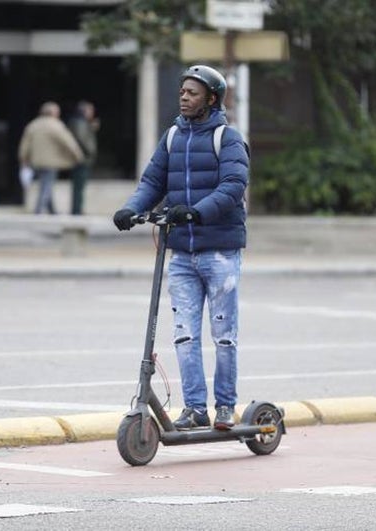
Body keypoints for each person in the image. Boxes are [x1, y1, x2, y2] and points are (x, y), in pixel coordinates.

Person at [112, 65, 249, 431]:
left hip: (219, 250)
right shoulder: (173, 137)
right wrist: (133, 208)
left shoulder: (228, 138)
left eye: (192, 93)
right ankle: (194, 408)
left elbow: (234, 185)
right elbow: (153, 180)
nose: (184, 98)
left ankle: (224, 406)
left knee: (223, 335)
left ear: (212, 99)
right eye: (182, 92)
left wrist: (197, 212)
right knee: (185, 334)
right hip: (182, 255)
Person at [18, 101, 84, 214]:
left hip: (36, 162)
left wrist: (23, 159)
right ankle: (38, 210)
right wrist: (78, 156)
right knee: (46, 186)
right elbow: (69, 143)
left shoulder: (33, 125)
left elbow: (24, 145)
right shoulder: (56, 125)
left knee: (46, 184)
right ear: (53, 113)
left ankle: (52, 211)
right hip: (51, 162)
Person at [67, 100, 99, 215]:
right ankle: (77, 210)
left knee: (80, 186)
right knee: (78, 186)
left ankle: (78, 209)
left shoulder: (83, 122)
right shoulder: (80, 122)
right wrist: (90, 151)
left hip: (82, 158)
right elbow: (82, 139)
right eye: (90, 110)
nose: (92, 113)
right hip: (82, 158)